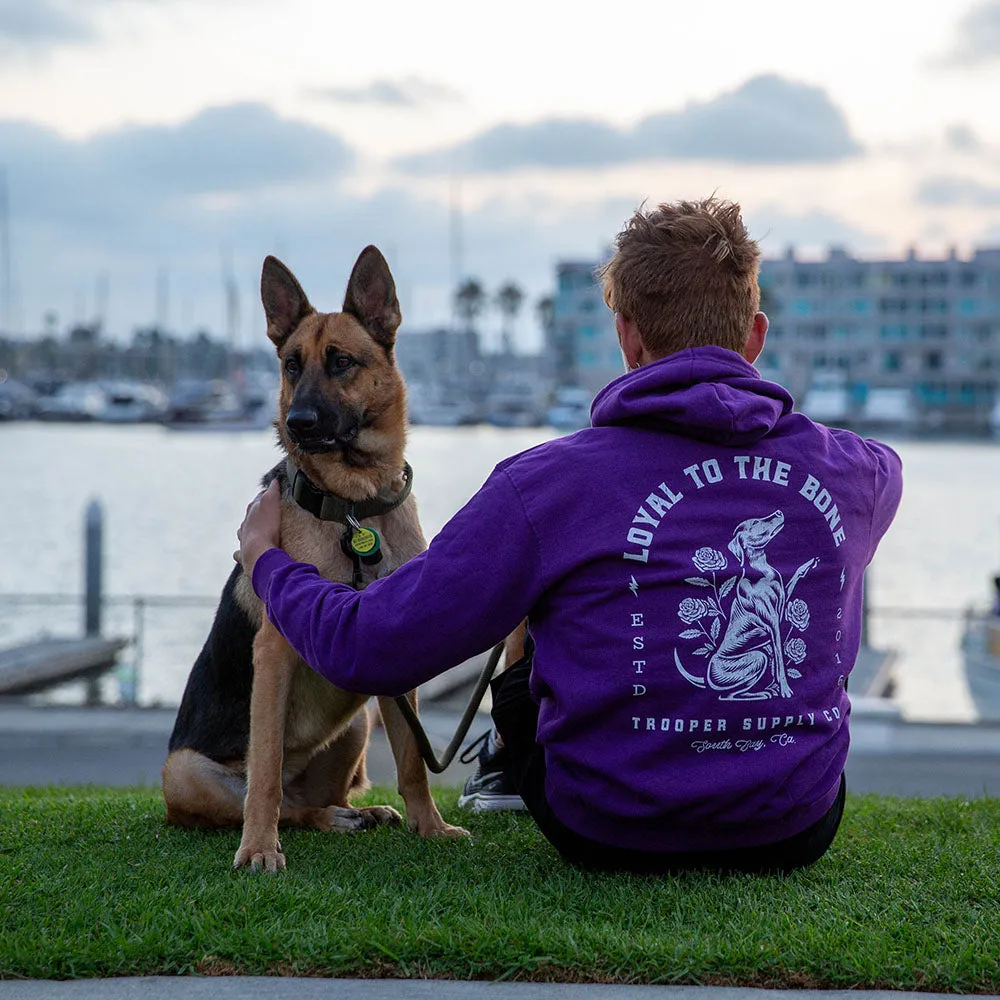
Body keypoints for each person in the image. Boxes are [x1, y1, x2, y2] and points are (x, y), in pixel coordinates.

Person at [237, 197, 902, 874]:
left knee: (541, 573)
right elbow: (869, 475)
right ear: (755, 337)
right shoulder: (864, 473)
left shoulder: (545, 486)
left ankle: (501, 771)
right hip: (795, 825)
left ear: (627, 337)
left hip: (605, 826)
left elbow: (367, 647)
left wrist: (266, 559)